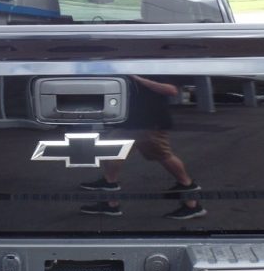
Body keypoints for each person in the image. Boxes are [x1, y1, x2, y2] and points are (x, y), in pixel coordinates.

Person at [79, 75, 206, 220]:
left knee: (163, 155)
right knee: (111, 151)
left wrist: (138, 78)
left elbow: (171, 90)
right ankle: (110, 198)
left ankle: (190, 195)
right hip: (129, 124)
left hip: (149, 124)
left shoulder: (152, 69)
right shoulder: (121, 72)